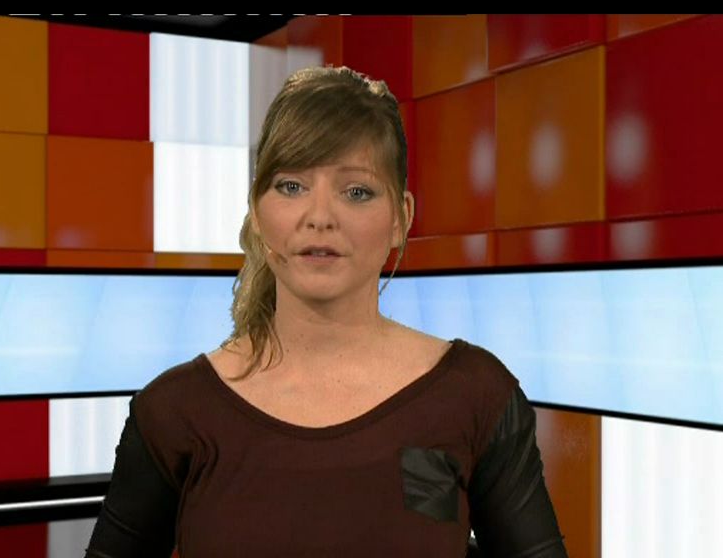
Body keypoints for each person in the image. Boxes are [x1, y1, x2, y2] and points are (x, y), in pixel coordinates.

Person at [86, 66, 568, 557]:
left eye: (356, 192)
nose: (319, 217)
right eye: (291, 186)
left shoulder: (474, 396)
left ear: (401, 218)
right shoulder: (173, 412)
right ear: (257, 211)